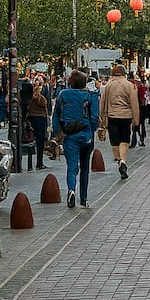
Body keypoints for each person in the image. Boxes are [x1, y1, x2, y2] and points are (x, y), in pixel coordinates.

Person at [52, 70, 100, 209]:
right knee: (85, 166)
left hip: (69, 135)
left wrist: (57, 134)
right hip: (86, 135)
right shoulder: (90, 96)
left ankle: (71, 190)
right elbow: (94, 117)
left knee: (72, 166)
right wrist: (92, 130)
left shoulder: (63, 95)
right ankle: (83, 198)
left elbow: (56, 116)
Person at [98, 64, 139, 180]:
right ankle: (123, 161)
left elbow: (102, 102)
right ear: (124, 73)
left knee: (114, 141)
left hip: (112, 117)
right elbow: (134, 103)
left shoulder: (108, 85)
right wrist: (136, 119)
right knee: (125, 140)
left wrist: (101, 118)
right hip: (126, 117)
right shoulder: (129, 85)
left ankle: (119, 160)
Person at [25, 76, 51, 169]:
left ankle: (36, 163)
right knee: (39, 141)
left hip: (33, 118)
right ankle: (39, 163)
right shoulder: (38, 96)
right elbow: (42, 103)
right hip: (39, 119)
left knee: (33, 140)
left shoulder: (30, 96)